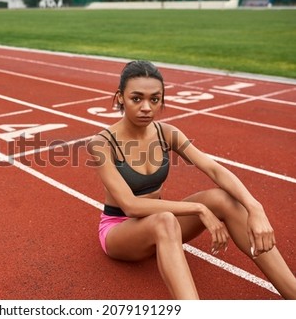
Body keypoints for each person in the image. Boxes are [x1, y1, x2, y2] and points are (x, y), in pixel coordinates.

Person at [87, 60, 296, 300]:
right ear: (120, 97)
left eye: (154, 99)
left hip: (161, 223)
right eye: (137, 98)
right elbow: (131, 206)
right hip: (120, 231)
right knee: (165, 220)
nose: (146, 107)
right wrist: (198, 208)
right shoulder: (101, 144)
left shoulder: (166, 133)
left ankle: (292, 291)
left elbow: (213, 169)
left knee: (221, 199)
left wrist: (255, 207)